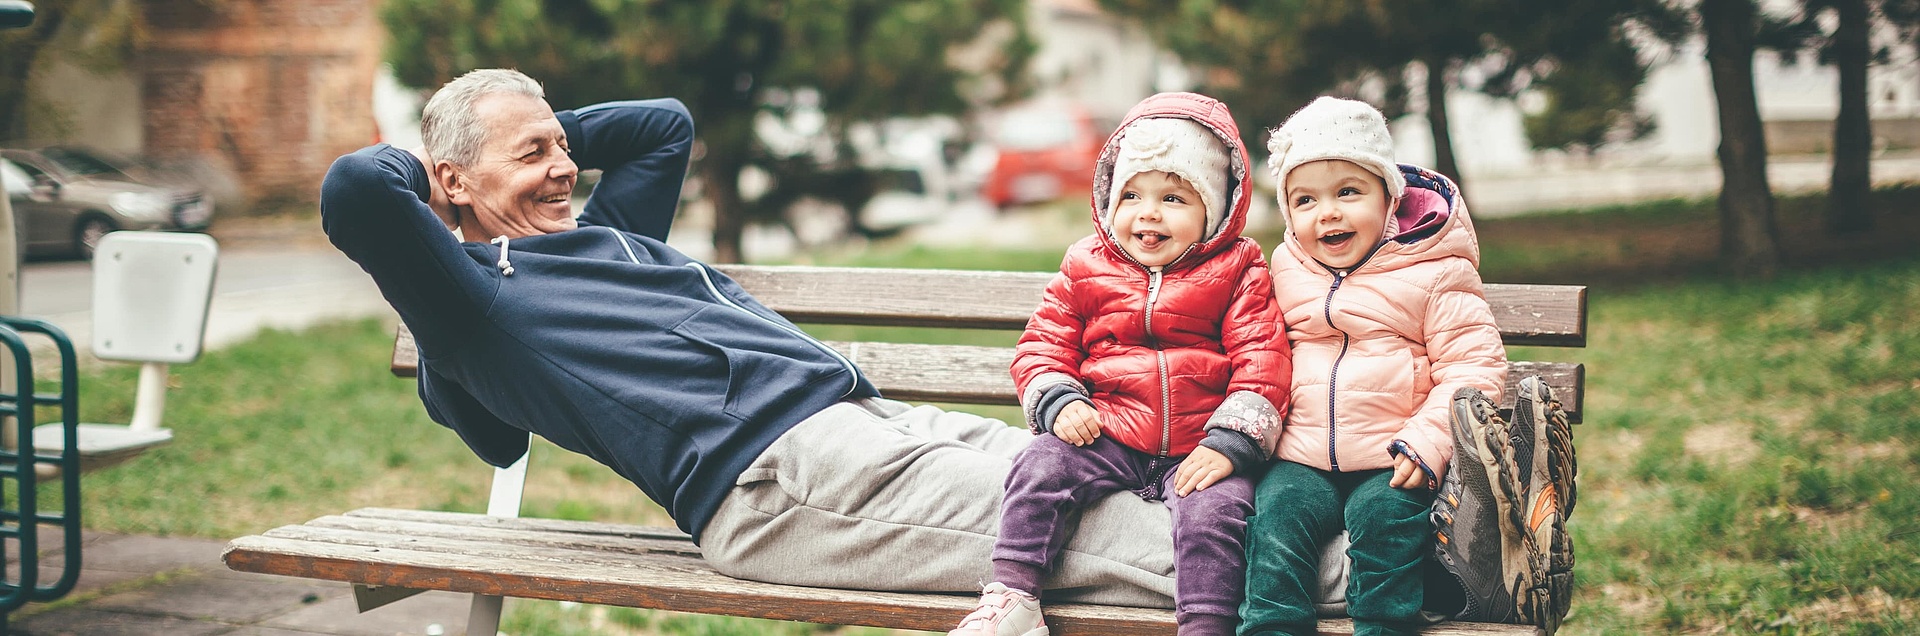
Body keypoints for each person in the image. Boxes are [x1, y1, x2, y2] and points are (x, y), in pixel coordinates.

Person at [318, 68, 1184, 608]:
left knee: (1127, 466)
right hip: (779, 476)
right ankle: (1315, 576)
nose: (564, 168)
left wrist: (531, 131)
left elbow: (663, 126)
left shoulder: (604, 234)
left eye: (563, 146)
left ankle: (1306, 526)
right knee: (1116, 531)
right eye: (533, 153)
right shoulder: (473, 302)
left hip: (873, 425)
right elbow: (359, 187)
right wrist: (439, 178)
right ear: (452, 181)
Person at [947, 92, 1289, 636]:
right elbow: (1043, 344)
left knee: (1217, 515)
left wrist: (1231, 444)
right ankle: (1013, 596)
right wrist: (1059, 398)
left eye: (1174, 198)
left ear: (1216, 210)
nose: (1148, 212)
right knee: (1040, 465)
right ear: (1109, 199)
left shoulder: (1239, 270)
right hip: (1108, 429)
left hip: (1200, 444)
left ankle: (1206, 625)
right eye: (1132, 195)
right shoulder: (1086, 265)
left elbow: (1262, 362)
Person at [1238, 96, 1509, 636]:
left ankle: (1383, 627)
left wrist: (1430, 442)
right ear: (1289, 214)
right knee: (1275, 522)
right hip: (1302, 455)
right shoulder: (1288, 268)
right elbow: (1262, 351)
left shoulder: (1434, 269)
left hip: (1396, 454)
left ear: (1390, 198)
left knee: (1385, 522)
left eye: (1348, 192)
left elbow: (1473, 367)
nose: (1328, 212)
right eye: (1306, 200)